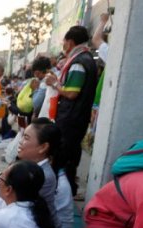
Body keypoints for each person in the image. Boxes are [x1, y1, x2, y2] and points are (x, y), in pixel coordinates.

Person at [45, 26, 98, 195]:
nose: (63, 46)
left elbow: (71, 92)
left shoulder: (78, 63)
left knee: (64, 157)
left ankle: (63, 193)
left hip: (70, 119)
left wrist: (54, 83)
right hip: (77, 118)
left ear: (70, 42)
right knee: (69, 156)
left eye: (64, 42)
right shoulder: (85, 59)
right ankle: (68, 190)